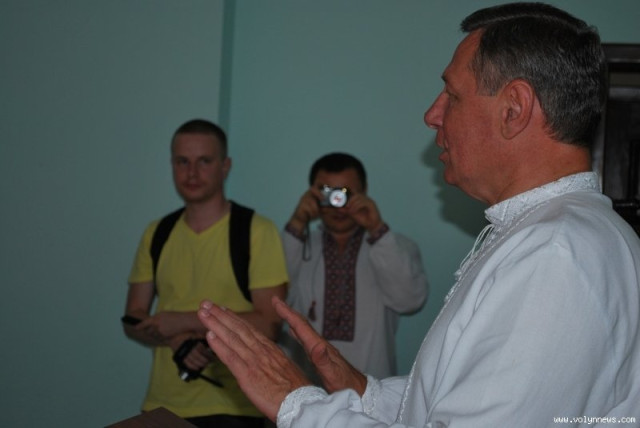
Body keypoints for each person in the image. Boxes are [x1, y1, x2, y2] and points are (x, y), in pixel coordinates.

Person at [197, 3, 640, 427]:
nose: (432, 115)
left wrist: (295, 404)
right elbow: (454, 399)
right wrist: (364, 393)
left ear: (514, 109)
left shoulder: (556, 255)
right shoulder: (546, 236)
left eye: (453, 95)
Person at [123, 119, 289, 428]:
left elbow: (269, 325)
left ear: (225, 166)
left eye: (204, 161)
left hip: (237, 407)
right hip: (162, 405)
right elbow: (133, 318)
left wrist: (182, 321)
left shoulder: (256, 231)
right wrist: (176, 340)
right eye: (182, 162)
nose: (192, 173)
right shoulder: (157, 233)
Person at [281, 153, 428, 380]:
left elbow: (410, 301)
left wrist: (377, 228)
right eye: (328, 193)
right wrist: (297, 222)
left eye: (346, 194)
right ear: (313, 194)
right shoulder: (299, 246)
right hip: (307, 387)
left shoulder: (393, 246)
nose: (338, 205)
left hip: (373, 386)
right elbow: (276, 297)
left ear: (364, 192)